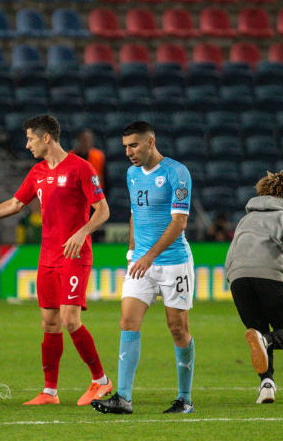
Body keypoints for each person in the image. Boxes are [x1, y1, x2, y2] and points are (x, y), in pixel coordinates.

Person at [0, 115, 113, 406]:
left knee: (70, 319)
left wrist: (83, 232)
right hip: (48, 257)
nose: (27, 145)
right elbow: (15, 204)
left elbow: (102, 210)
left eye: (30, 138)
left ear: (46, 138)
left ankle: (101, 381)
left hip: (75, 256)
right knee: (49, 323)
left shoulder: (81, 167)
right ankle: (50, 392)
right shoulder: (37, 172)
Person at [91, 121, 196, 416]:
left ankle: (184, 399)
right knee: (127, 321)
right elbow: (135, 214)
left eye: (134, 145)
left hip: (174, 263)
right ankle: (123, 398)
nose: (128, 152)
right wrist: (132, 251)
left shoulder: (177, 172)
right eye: (125, 146)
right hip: (141, 263)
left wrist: (149, 256)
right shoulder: (132, 174)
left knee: (178, 329)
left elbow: (179, 223)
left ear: (151, 141)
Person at [225, 171, 283, 404]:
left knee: (257, 332)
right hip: (270, 277)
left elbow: (231, 251)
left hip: (239, 279)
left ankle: (267, 384)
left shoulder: (245, 219)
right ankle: (265, 343)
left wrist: (233, 279)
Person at [71, 129, 106, 193]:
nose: (86, 142)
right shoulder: (69, 157)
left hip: (95, 193)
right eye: (84, 140)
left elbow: (104, 178)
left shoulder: (99, 156)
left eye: (89, 140)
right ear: (78, 140)